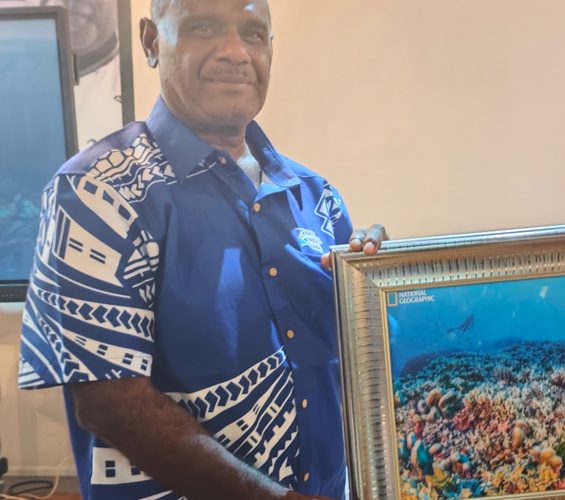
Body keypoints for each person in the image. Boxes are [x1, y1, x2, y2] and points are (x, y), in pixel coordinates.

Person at [17, 0, 385, 498]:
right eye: (204, 27)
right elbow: (110, 405)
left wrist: (387, 282)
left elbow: (364, 362)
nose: (235, 52)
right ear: (151, 41)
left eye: (254, 34)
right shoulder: (97, 194)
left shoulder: (315, 197)